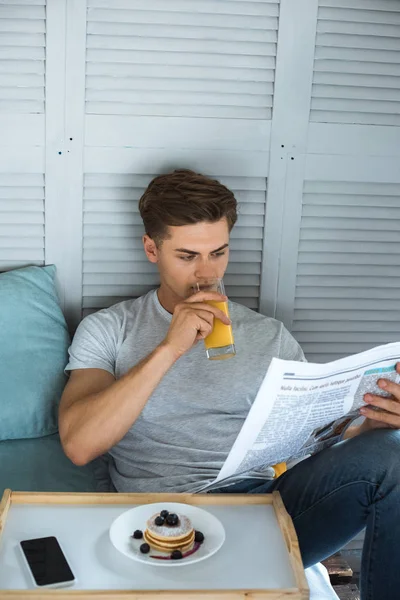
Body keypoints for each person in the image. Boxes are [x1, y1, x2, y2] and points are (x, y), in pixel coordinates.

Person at [59, 169, 400, 600]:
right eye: (187, 256)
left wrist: (369, 426)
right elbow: (79, 444)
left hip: (267, 505)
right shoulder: (110, 329)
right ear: (152, 249)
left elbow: (313, 440)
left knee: (392, 452)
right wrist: (169, 348)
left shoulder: (270, 335)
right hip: (164, 517)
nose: (206, 274)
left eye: (218, 253)